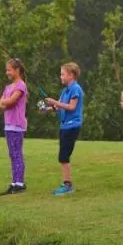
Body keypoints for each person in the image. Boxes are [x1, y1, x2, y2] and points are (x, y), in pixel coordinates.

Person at [43, 62, 84, 196]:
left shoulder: (75, 89)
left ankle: (67, 185)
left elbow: (71, 107)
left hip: (72, 126)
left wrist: (54, 101)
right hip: (64, 126)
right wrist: (48, 109)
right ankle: (66, 183)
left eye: (62, 74)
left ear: (71, 75)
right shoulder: (65, 90)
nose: (60, 77)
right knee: (63, 156)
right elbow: (60, 106)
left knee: (64, 156)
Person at [0, 59, 29, 195]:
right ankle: (15, 182)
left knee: (17, 154)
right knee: (12, 154)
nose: (7, 72)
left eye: (9, 69)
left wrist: (5, 102)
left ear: (17, 70)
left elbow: (10, 101)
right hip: (9, 124)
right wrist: (5, 102)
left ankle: (19, 183)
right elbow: (0, 105)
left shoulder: (21, 86)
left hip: (17, 125)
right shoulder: (8, 87)